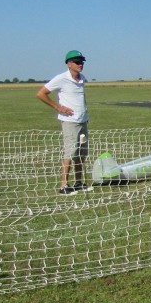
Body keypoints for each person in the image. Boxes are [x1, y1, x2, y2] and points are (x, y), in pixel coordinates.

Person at [36, 49, 90, 195]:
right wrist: (58, 107)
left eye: (82, 62)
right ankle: (64, 186)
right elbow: (41, 93)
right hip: (69, 122)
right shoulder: (61, 78)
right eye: (78, 62)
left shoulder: (82, 78)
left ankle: (79, 182)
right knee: (70, 152)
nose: (81, 64)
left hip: (83, 120)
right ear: (69, 64)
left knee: (82, 153)